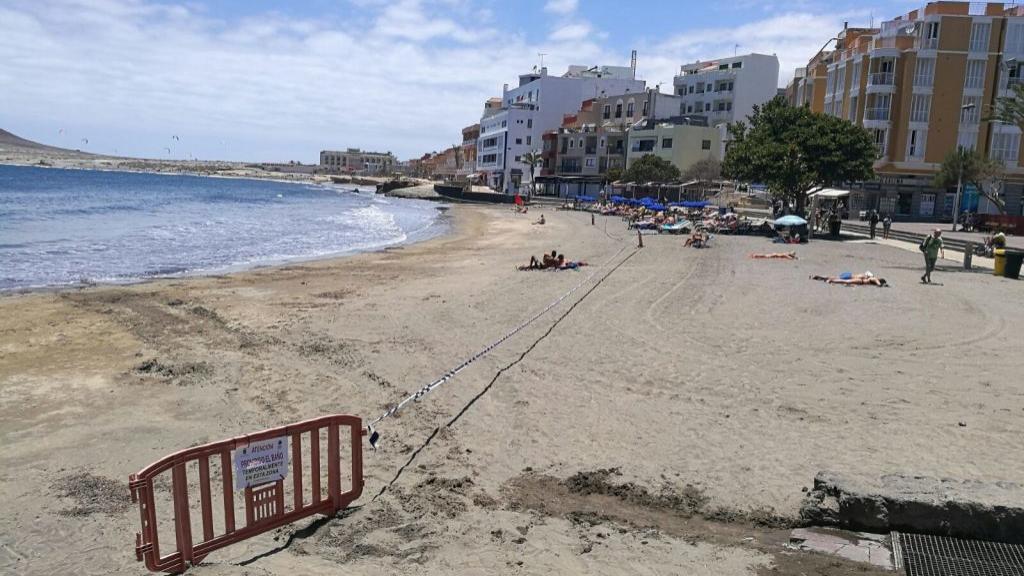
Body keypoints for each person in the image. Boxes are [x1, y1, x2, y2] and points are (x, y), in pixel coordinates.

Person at [810, 272, 888, 287]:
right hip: (860, 281)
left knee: (834, 277)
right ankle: (830, 280)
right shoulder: (873, 278)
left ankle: (820, 277)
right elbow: (877, 282)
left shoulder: (867, 275)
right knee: (844, 281)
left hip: (850, 274)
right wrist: (881, 285)